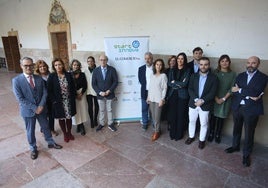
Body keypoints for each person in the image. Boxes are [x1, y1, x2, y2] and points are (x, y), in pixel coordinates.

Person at [12, 57, 62, 160]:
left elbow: (45, 92)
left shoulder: (39, 78)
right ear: (21, 66)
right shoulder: (16, 81)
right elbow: (20, 98)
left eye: (31, 65)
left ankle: (50, 142)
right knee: (30, 130)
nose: (29, 67)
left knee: (46, 127)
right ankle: (33, 148)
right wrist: (35, 108)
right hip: (28, 111)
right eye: (26, 65)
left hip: (41, 109)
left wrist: (41, 105)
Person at [225, 56, 267, 167]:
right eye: (248, 62)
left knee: (249, 132)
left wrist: (241, 90)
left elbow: (256, 92)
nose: (250, 65)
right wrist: (247, 93)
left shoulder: (263, 77)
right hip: (238, 107)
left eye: (253, 63)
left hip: (252, 109)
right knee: (236, 128)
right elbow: (234, 91)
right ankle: (235, 146)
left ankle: (246, 154)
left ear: (258, 64)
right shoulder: (240, 76)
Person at [185, 57, 218, 149]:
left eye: (206, 64)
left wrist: (202, 101)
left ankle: (201, 140)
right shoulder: (193, 76)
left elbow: (213, 92)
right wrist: (196, 99)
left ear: (209, 65)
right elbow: (190, 89)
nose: (203, 66)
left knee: (203, 123)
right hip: (193, 103)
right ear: (199, 65)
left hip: (205, 105)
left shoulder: (214, 78)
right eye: (201, 64)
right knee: (191, 121)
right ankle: (191, 137)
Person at [208, 55, 236, 143]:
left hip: (226, 99)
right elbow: (210, 87)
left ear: (229, 63)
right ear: (219, 62)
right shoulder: (214, 73)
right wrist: (216, 98)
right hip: (214, 98)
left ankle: (218, 134)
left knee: (221, 118)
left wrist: (223, 99)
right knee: (213, 117)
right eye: (222, 61)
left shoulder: (233, 74)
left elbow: (232, 88)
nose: (224, 63)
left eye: (226, 61)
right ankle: (211, 133)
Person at [47, 58, 76, 143]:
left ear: (63, 65)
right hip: (58, 102)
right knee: (61, 118)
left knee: (69, 117)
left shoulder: (68, 75)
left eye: (59, 64)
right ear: (54, 67)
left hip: (68, 101)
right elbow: (49, 90)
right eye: (56, 65)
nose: (58, 66)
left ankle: (69, 133)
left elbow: (73, 87)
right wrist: (54, 101)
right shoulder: (52, 76)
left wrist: (73, 97)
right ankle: (65, 134)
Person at [168, 53, 191, 141]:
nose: (180, 60)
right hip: (173, 94)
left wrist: (175, 82)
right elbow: (169, 83)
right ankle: (172, 133)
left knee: (181, 114)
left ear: (184, 60)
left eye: (182, 59)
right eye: (178, 59)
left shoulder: (187, 70)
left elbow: (185, 84)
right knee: (173, 114)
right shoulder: (172, 70)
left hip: (183, 95)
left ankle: (179, 134)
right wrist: (179, 84)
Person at [92, 54, 118, 132]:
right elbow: (94, 84)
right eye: (101, 60)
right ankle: (102, 124)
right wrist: (100, 92)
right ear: (99, 61)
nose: (103, 61)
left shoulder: (112, 69)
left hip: (110, 94)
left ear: (107, 61)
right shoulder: (96, 70)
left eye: (104, 60)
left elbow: (115, 82)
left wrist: (109, 90)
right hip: (100, 95)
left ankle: (110, 124)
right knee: (102, 110)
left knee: (109, 110)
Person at [35, 60, 58, 136]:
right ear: (38, 68)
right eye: (40, 67)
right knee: (43, 115)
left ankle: (51, 129)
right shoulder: (37, 78)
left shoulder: (51, 75)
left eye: (44, 66)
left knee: (51, 115)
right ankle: (44, 129)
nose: (42, 68)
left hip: (51, 99)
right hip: (42, 100)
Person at [147, 59, 167, 141]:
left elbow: (164, 89)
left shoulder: (163, 76)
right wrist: (148, 97)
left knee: (157, 117)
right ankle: (156, 129)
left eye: (160, 65)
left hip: (159, 99)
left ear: (162, 66)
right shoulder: (152, 74)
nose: (158, 66)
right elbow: (150, 87)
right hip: (151, 98)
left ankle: (157, 132)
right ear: (154, 65)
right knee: (153, 116)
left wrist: (162, 99)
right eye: (157, 64)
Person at [70, 59, 89, 136]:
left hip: (81, 94)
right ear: (72, 66)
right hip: (73, 95)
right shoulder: (69, 75)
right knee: (76, 111)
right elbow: (69, 86)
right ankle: (78, 125)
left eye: (77, 65)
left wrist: (81, 93)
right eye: (74, 65)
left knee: (82, 110)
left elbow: (85, 85)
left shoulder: (82, 74)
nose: (76, 66)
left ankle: (82, 126)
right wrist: (75, 95)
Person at [138, 52, 154, 130]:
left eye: (149, 58)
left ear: (152, 59)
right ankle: (145, 123)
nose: (147, 60)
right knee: (144, 109)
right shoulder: (141, 69)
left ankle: (155, 124)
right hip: (144, 92)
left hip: (154, 92)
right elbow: (141, 81)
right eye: (146, 58)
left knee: (154, 110)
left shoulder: (156, 68)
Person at [84, 56, 99, 128]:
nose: (90, 62)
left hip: (96, 91)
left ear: (94, 62)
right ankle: (91, 121)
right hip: (88, 91)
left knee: (96, 106)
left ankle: (95, 119)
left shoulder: (98, 70)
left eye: (91, 61)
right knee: (90, 106)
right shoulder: (85, 71)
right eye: (88, 61)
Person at [164, 55, 177, 125]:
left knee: (173, 108)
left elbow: (177, 83)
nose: (172, 62)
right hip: (166, 91)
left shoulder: (177, 71)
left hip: (173, 92)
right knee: (167, 108)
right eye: (171, 60)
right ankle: (168, 121)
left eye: (174, 61)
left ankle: (171, 123)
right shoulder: (166, 70)